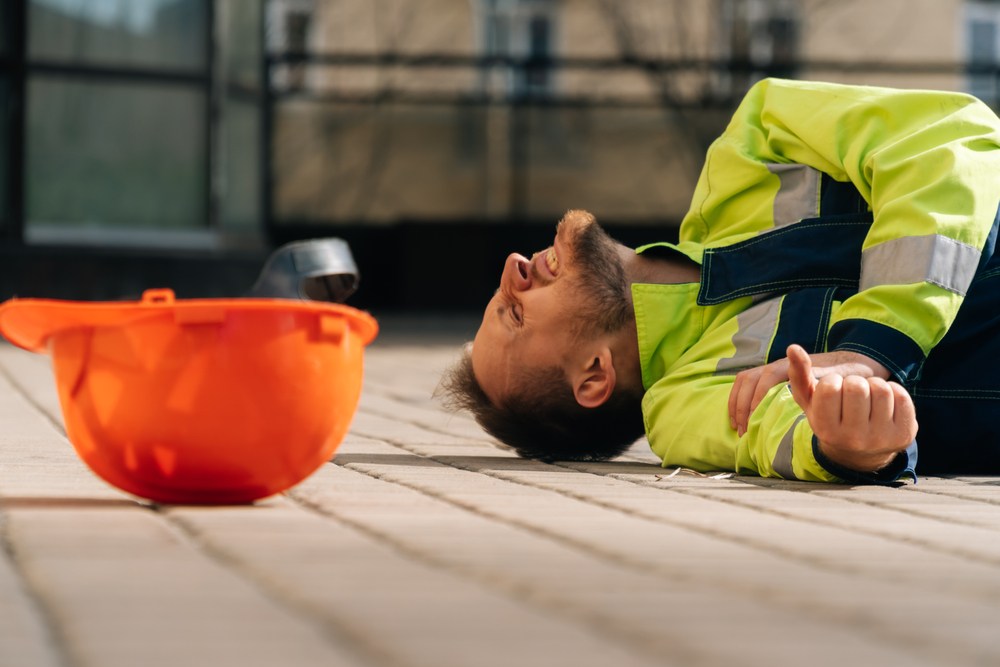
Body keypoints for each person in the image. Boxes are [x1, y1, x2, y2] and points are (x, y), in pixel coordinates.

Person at [440, 78, 1000, 484]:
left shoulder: (750, 146)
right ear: (593, 376)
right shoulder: (683, 409)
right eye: (513, 312)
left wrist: (874, 347)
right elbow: (788, 436)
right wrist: (851, 447)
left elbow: (944, 137)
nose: (513, 268)